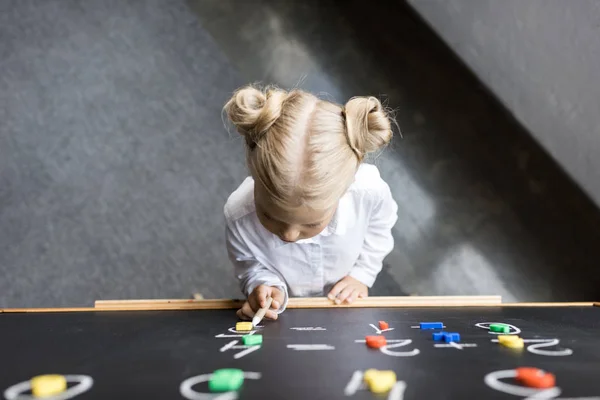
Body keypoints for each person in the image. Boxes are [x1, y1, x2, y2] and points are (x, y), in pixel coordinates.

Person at [223, 85, 398, 321]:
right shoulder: (238, 214)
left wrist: (361, 275)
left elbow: (379, 228)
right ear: (254, 175)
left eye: (312, 223)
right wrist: (263, 285)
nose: (289, 235)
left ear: (345, 190)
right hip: (289, 309)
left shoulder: (369, 191)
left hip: (344, 298)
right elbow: (249, 263)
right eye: (270, 216)